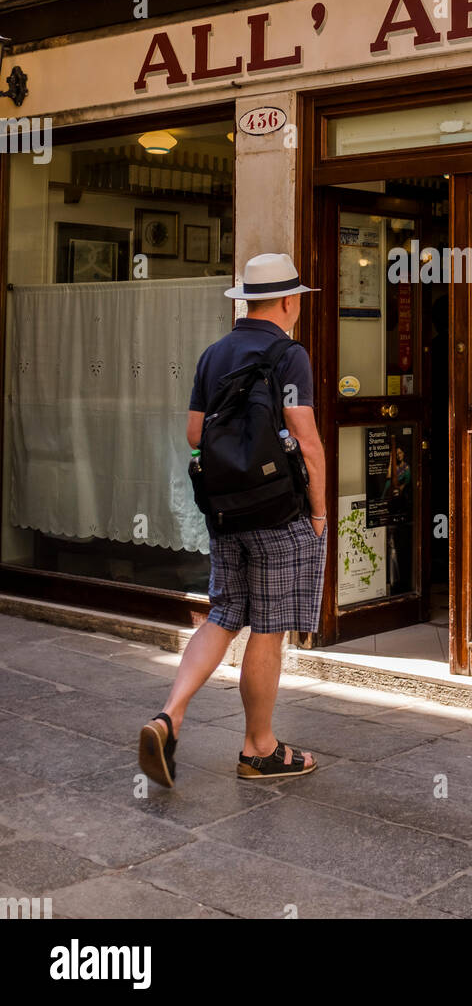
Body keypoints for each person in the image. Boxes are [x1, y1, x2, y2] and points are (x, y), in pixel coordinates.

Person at [138, 253, 328, 787]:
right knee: (268, 626)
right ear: (291, 302)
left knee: (223, 613)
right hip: (279, 510)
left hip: (226, 511)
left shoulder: (214, 354)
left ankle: (169, 714)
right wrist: (318, 511)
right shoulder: (290, 355)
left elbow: (195, 436)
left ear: (246, 301)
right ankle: (259, 749)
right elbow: (306, 437)